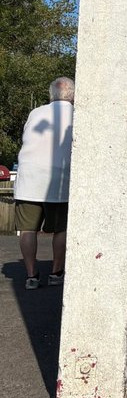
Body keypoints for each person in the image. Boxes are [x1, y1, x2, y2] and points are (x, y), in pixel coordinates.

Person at [14, 77, 75, 290]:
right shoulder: (78, 115)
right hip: (60, 178)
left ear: (51, 95)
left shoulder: (36, 113)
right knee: (61, 228)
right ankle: (56, 272)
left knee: (27, 229)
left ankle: (32, 275)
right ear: (73, 95)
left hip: (29, 176)